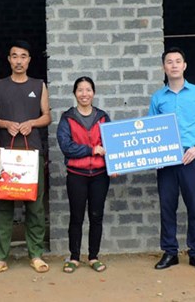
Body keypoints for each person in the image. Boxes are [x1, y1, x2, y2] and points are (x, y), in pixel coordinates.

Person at [0, 40, 52, 276]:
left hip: (32, 154)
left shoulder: (38, 85)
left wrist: (32, 122)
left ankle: (35, 254)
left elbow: (47, 116)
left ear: (29, 60)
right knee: (4, 206)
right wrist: (5, 123)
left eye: (23, 56)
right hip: (6, 155)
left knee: (35, 206)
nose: (19, 61)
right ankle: (1, 258)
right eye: (14, 56)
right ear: (9, 59)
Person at [149, 48, 195, 271]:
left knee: (194, 206)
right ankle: (170, 252)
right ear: (164, 67)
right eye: (169, 62)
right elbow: (151, 129)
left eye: (178, 61)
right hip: (167, 159)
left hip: (191, 157)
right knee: (167, 206)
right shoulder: (158, 98)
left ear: (185, 65)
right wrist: (155, 154)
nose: (174, 65)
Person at [57, 76, 111, 273]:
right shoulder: (67, 118)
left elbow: (111, 143)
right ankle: (74, 257)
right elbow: (66, 147)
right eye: (80, 90)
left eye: (88, 90)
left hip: (100, 175)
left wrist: (113, 165)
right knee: (76, 216)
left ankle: (93, 256)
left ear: (93, 93)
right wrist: (92, 150)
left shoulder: (103, 117)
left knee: (96, 216)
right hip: (76, 174)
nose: (84, 94)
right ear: (74, 93)